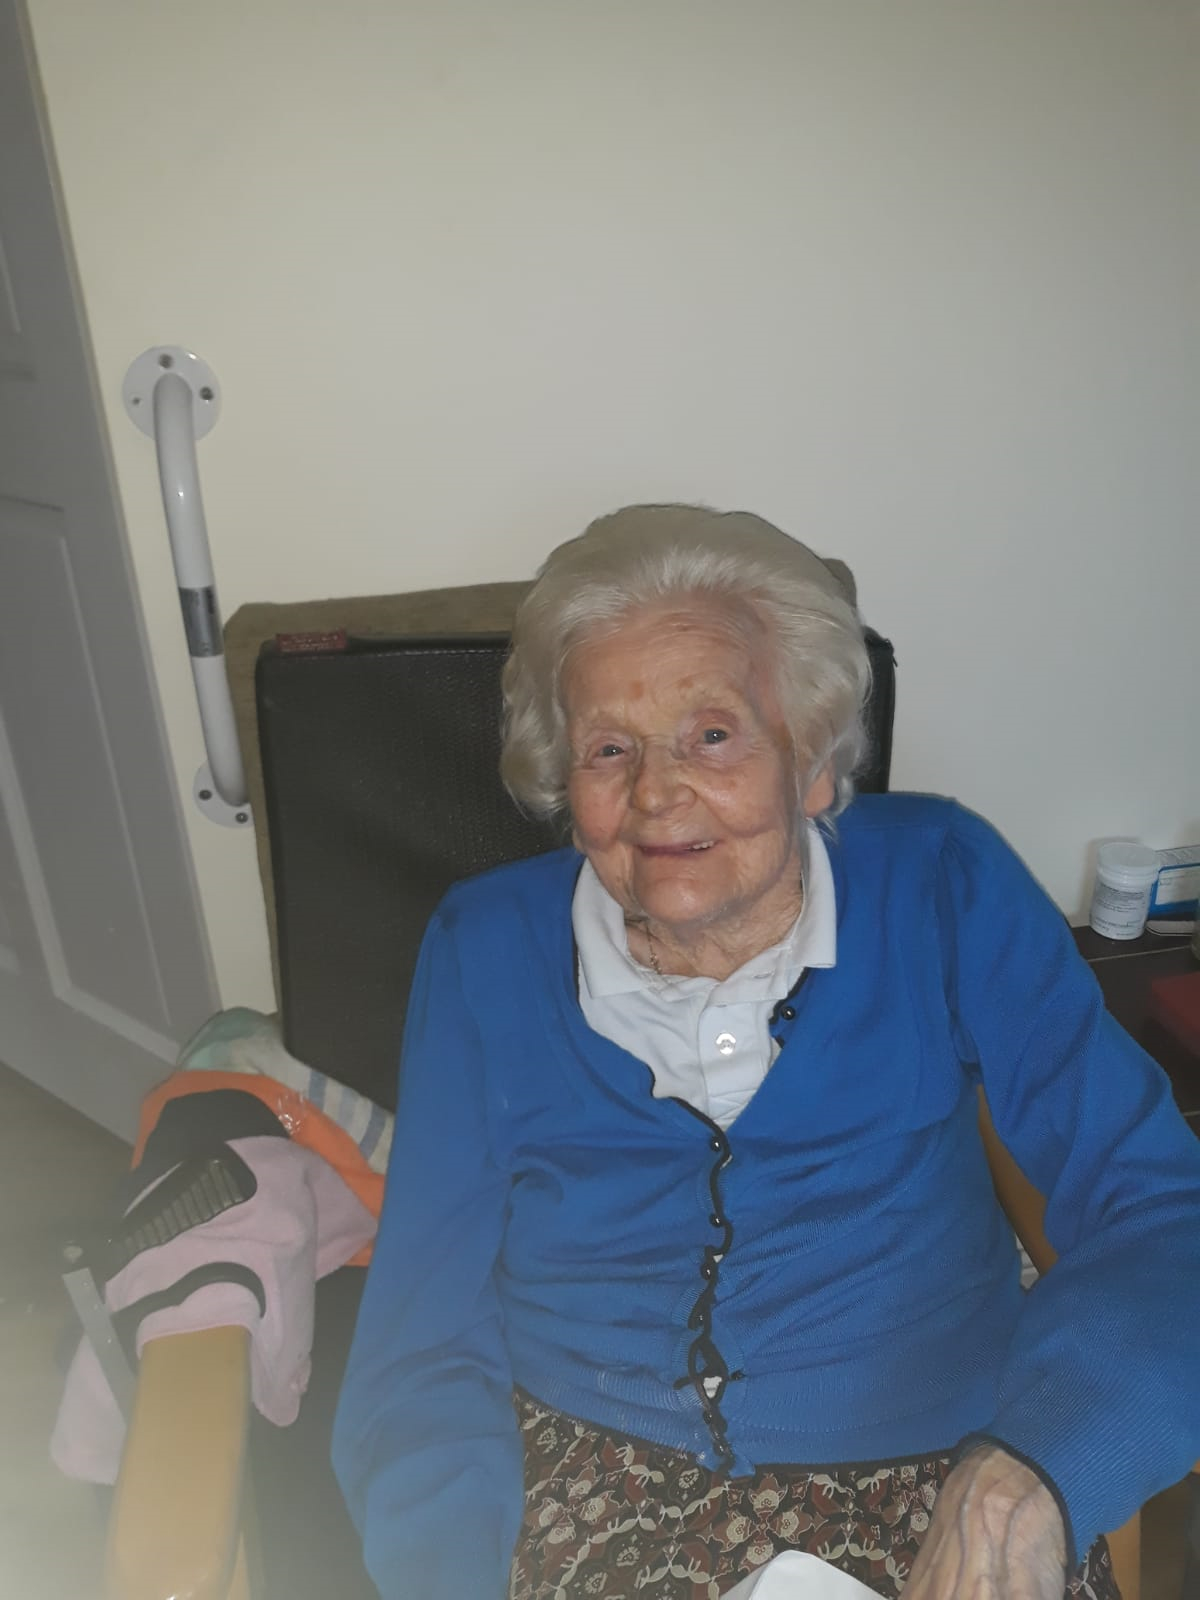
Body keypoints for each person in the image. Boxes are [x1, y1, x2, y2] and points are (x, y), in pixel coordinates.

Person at [333, 504, 1200, 1600]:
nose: (657, 792)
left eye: (712, 734)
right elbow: (420, 1339)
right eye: (610, 748)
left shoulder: (943, 882)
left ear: (814, 764)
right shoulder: (483, 948)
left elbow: (1160, 1209)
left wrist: (1039, 1470)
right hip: (586, 1483)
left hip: (942, 1475)